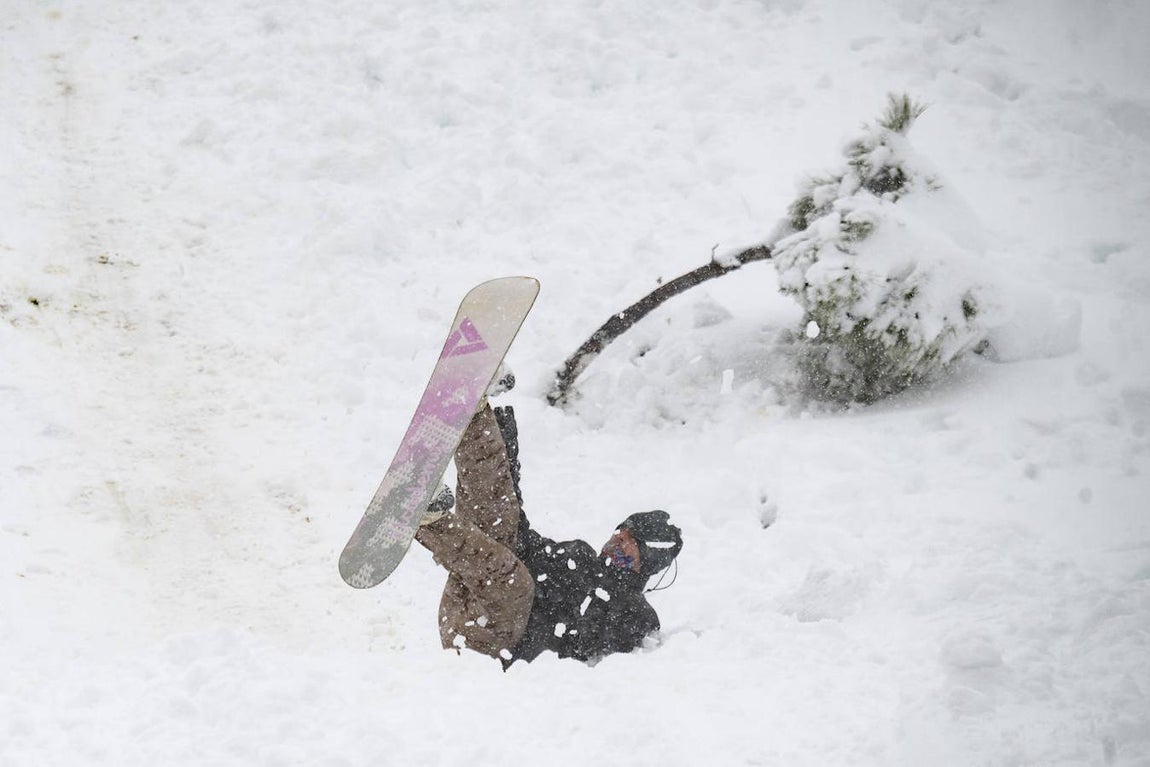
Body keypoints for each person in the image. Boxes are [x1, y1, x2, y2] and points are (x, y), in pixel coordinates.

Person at [413, 373, 683, 669]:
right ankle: (474, 415)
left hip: (494, 650)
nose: (616, 540)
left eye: (628, 541)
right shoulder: (579, 560)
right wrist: (506, 457)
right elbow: (521, 539)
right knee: (501, 522)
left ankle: (429, 520)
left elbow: (596, 661)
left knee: (515, 583)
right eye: (619, 533)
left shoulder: (636, 615)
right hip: (474, 606)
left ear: (647, 559)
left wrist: (575, 618)